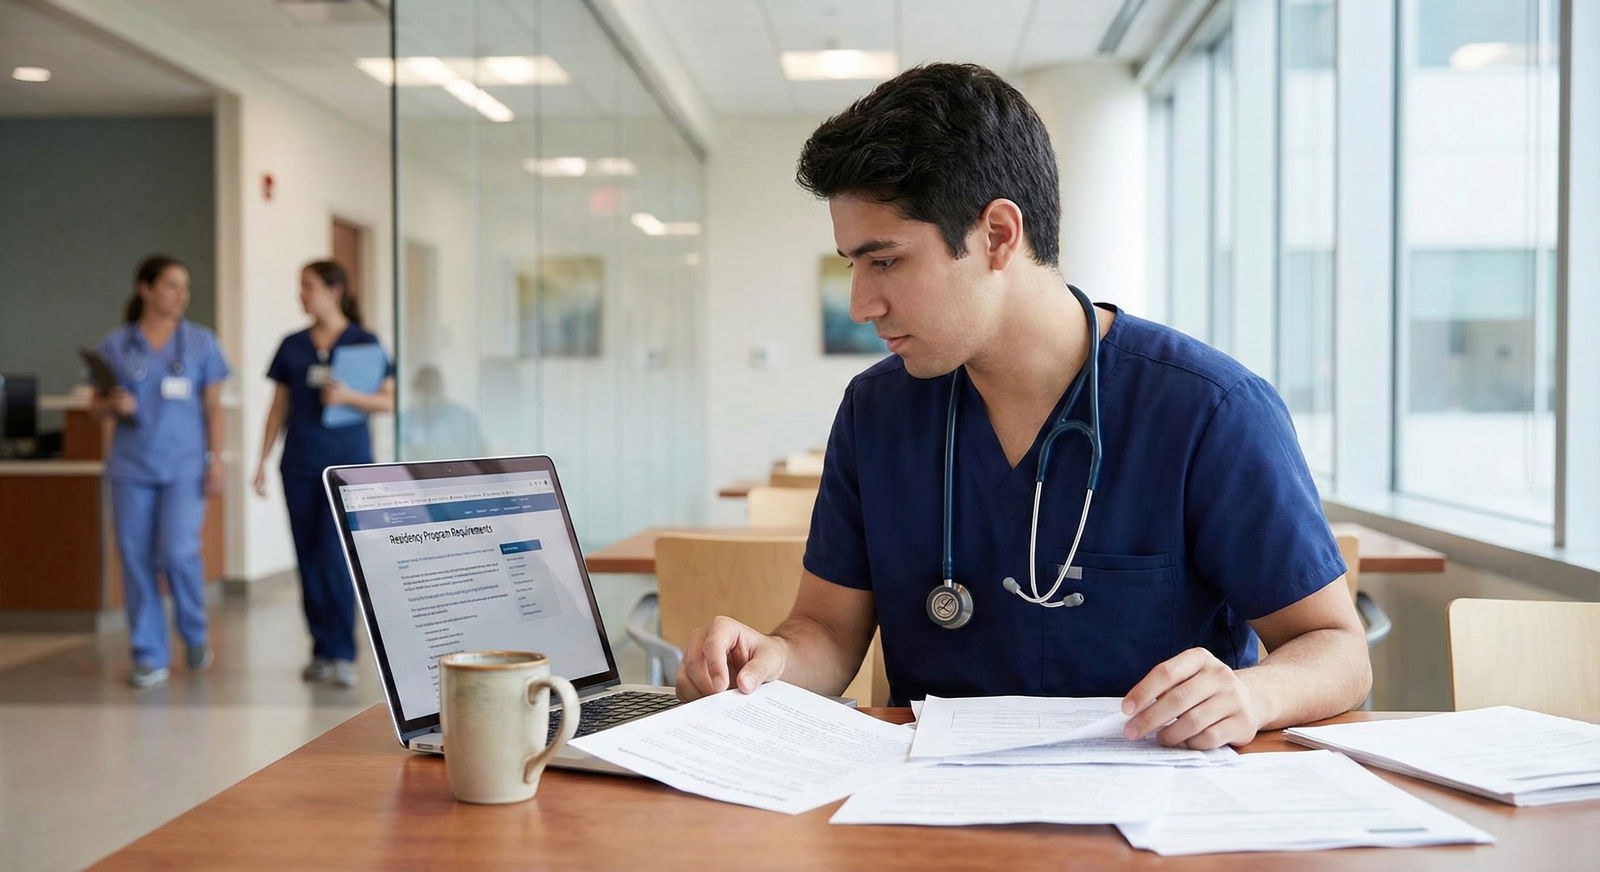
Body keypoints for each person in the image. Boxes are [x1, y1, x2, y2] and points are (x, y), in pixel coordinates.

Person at [676, 64, 1372, 750]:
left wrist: (1252, 694)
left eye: (884, 261)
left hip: (1147, 818)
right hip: (926, 815)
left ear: (999, 235)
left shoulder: (1208, 411)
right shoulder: (878, 411)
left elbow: (1336, 648)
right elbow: (826, 634)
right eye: (851, 265)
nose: (861, 305)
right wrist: (764, 661)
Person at [89, 255, 231, 689]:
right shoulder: (117, 345)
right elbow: (96, 409)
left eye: (184, 287)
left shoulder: (201, 343)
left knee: (176, 552)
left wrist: (215, 459)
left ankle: (193, 630)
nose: (181, 294)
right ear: (145, 289)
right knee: (135, 561)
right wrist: (113, 405)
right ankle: (150, 654)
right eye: (171, 285)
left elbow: (213, 408)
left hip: (184, 467)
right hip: (131, 468)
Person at [252, 260, 394, 688]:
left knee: (334, 555)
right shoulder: (292, 345)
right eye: (300, 287)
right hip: (299, 462)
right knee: (308, 557)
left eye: (308, 286)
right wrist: (260, 460)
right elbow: (279, 407)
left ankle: (343, 651)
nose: (301, 295)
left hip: (346, 465)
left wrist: (349, 395)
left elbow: (387, 401)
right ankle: (321, 650)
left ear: (334, 291)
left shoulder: (364, 342)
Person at [400, 364, 484, 460]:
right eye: (423, 390)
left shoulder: (462, 419)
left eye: (432, 389)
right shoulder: (405, 421)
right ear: (415, 391)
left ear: (440, 389)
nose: (427, 398)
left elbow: (479, 455)